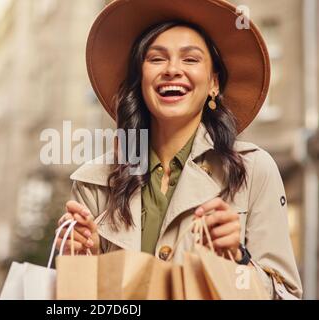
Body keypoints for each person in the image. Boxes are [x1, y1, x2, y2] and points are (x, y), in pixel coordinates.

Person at [55, 0, 302, 299]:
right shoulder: (93, 182)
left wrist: (237, 261)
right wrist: (84, 260)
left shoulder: (253, 171)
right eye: (156, 59)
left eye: (190, 59)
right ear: (140, 80)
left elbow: (285, 295)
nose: (173, 70)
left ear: (213, 83)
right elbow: (77, 301)